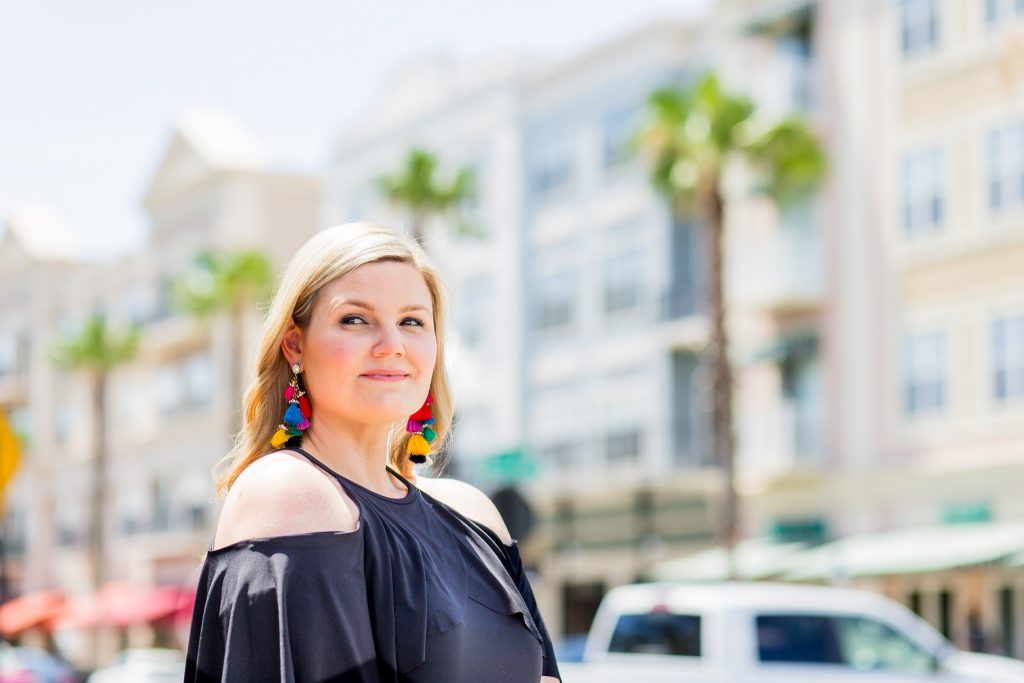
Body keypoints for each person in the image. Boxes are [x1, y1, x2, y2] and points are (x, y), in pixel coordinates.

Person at [184, 223, 561, 682]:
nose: (391, 346)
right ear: (295, 343)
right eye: (355, 320)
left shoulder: (475, 516)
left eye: (412, 322)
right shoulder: (289, 493)